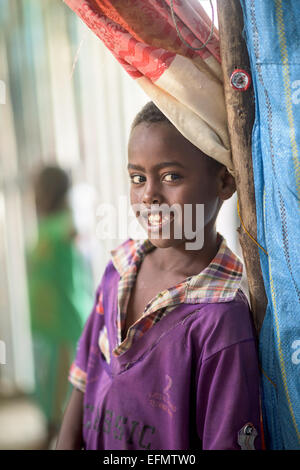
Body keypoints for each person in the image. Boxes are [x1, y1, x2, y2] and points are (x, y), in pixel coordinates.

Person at [56, 102, 262, 450]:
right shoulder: (118, 272)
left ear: (224, 182)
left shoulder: (220, 320)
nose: (149, 194)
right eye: (138, 178)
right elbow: (83, 384)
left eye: (171, 176)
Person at [27, 165, 93, 449]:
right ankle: (54, 427)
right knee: (52, 379)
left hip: (64, 319)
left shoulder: (63, 226)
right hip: (49, 320)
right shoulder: (50, 225)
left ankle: (61, 430)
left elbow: (77, 239)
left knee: (65, 381)